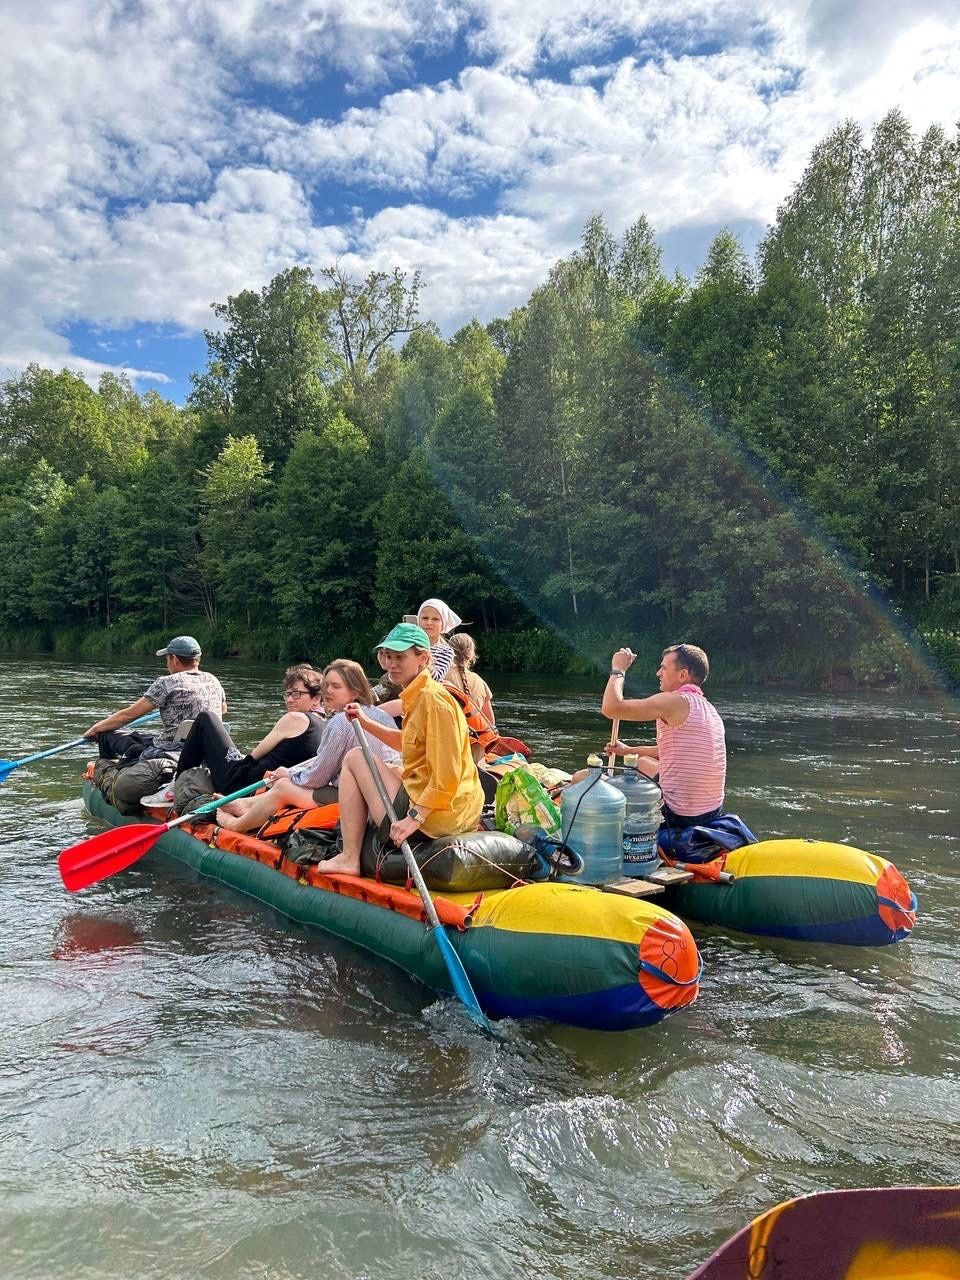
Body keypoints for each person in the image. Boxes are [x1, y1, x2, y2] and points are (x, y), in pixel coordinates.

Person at [316, 623, 485, 877]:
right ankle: (351, 851)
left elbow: (447, 775)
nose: (392, 664)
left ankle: (349, 857)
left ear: (423, 658)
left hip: (440, 817)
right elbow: (408, 742)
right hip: (447, 806)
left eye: (401, 657)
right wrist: (366, 723)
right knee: (393, 766)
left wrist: (413, 818)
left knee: (354, 757)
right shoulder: (417, 695)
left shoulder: (433, 701)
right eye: (389, 657)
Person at [216, 659, 401, 832]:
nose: (327, 691)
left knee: (284, 787)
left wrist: (288, 773)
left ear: (355, 691)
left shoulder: (339, 722)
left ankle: (236, 825)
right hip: (388, 794)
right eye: (326, 685)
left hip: (361, 799)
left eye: (336, 686)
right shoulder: (383, 716)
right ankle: (245, 804)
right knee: (288, 782)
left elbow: (317, 778)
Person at [601, 642, 726, 829]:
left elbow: (611, 708)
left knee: (582, 778)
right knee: (642, 763)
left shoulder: (674, 701)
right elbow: (674, 751)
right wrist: (628, 750)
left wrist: (618, 670)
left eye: (663, 668)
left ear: (683, 675)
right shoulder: (708, 708)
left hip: (675, 814)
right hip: (709, 812)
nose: (658, 673)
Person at [169, 664, 326, 803]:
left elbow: (254, 755)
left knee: (206, 718)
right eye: (288, 694)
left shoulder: (295, 718)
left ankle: (175, 784)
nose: (289, 700)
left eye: (296, 694)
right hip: (264, 787)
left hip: (240, 785)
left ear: (316, 698)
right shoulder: (326, 727)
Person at [83, 635, 226, 759]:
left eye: (167, 658)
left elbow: (127, 716)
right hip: (206, 745)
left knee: (108, 733)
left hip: (172, 747)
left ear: (174, 659)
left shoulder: (166, 682)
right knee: (143, 736)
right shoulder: (213, 680)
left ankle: (108, 770)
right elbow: (222, 709)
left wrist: (96, 728)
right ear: (198, 659)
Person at [444, 632, 495, 731]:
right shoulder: (480, 681)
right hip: (475, 743)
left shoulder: (439, 677)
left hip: (450, 738)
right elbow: (490, 723)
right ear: (471, 655)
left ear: (448, 652)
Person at [415, 598, 460, 680]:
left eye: (435, 619)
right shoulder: (409, 644)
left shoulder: (446, 651)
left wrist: (423, 654)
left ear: (443, 624)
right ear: (418, 621)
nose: (429, 622)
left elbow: (437, 679)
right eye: (425, 618)